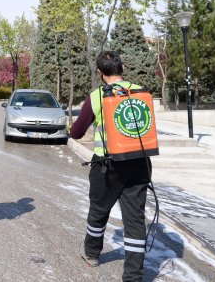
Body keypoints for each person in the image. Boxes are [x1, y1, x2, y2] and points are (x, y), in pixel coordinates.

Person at [70, 51, 151, 282]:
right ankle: (133, 276)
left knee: (98, 211)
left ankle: (92, 254)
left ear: (99, 72)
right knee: (135, 221)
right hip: (139, 162)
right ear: (122, 67)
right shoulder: (140, 90)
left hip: (107, 165)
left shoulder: (97, 96)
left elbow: (77, 132)